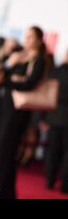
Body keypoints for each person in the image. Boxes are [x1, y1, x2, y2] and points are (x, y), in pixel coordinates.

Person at [0, 26, 47, 199]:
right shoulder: (19, 56)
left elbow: (30, 84)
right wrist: (10, 65)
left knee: (4, 153)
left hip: (19, 112)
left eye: (31, 36)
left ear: (38, 40)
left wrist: (9, 81)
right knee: (4, 152)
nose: (27, 39)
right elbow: (0, 74)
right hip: (6, 107)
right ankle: (5, 192)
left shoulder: (39, 60)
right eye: (26, 36)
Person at [43, 49, 68, 194]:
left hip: (54, 117)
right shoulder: (54, 72)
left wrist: (43, 118)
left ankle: (50, 181)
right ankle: (65, 185)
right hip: (60, 118)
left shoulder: (55, 72)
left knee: (53, 151)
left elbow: (47, 97)